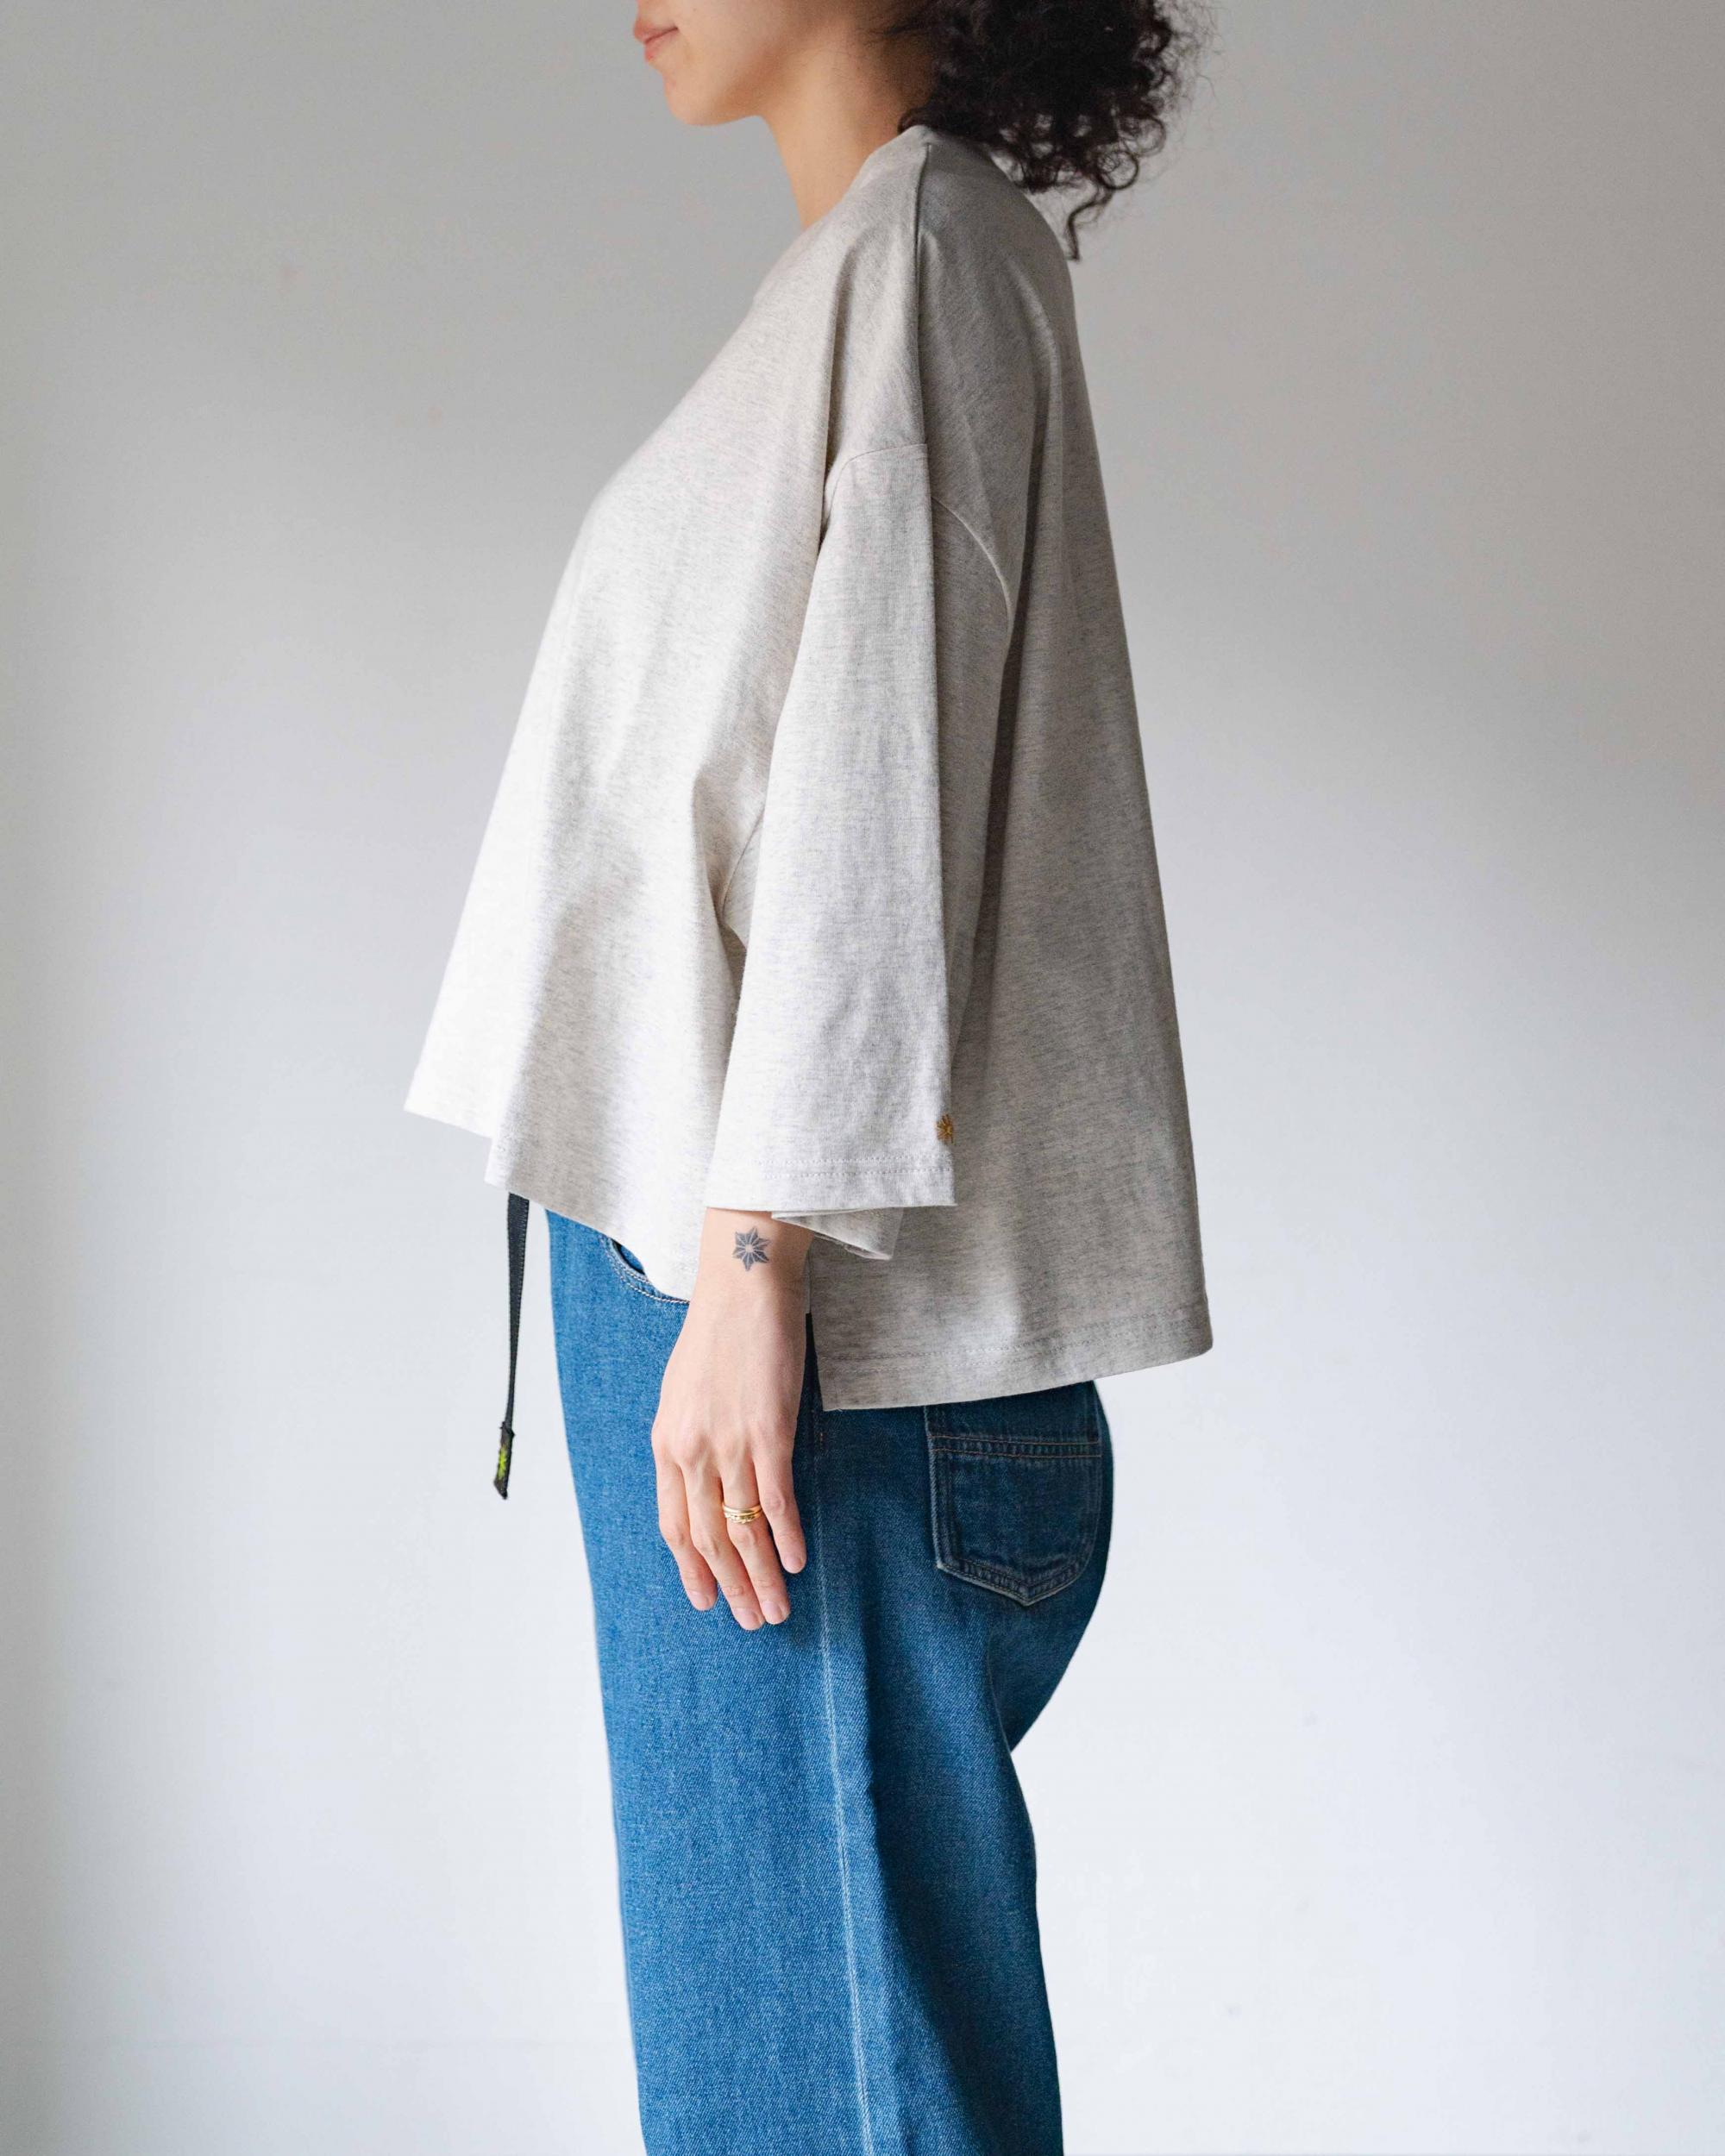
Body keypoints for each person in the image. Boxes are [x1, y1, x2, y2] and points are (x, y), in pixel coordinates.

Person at [405, 2, 1213, 2148]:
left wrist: (753, 1253)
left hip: (814, 1343)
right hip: (759, 1322)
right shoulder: (863, 268)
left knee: (824, 2098)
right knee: (785, 2084)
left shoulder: (923, 248)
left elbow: (873, 777)